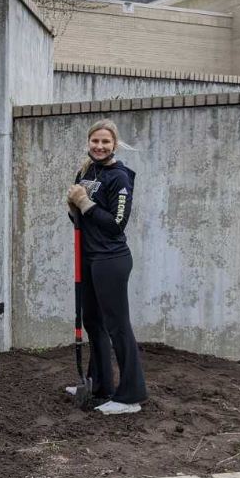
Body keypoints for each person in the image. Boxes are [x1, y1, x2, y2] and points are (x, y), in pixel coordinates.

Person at [66, 119, 147, 415]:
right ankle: (100, 384)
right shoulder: (86, 171)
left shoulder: (120, 177)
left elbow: (116, 224)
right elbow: (82, 220)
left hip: (111, 260)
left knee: (117, 326)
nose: (99, 146)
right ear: (88, 143)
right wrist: (73, 210)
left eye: (105, 142)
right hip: (88, 258)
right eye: (95, 141)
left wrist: (85, 204)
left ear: (114, 144)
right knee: (94, 323)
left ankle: (130, 396)